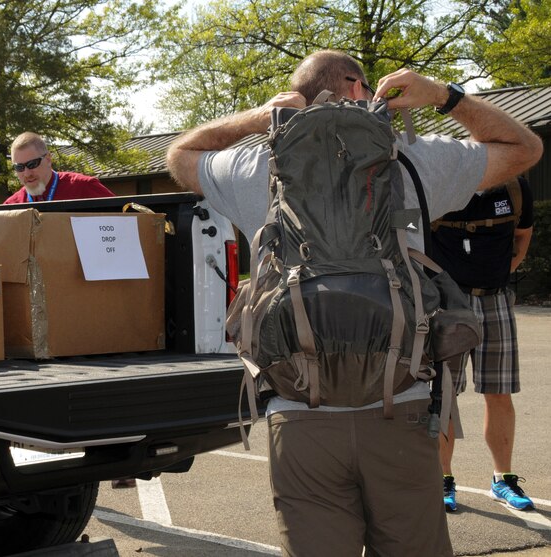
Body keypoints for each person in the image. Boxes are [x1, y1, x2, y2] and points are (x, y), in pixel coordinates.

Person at [166, 50, 542, 556]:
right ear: (357, 85)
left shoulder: (259, 162)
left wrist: (260, 118)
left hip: (298, 410)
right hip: (400, 404)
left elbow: (179, 156)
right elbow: (524, 147)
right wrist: (440, 95)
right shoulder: (413, 157)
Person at [431, 176, 535, 512]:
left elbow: (523, 234)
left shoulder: (514, 188)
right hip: (448, 305)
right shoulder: (443, 181)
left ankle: (502, 479)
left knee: (499, 392)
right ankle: (442, 479)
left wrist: (501, 274)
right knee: (444, 393)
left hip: (496, 301)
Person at [4, 132, 115, 204]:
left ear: (48, 159)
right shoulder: (11, 206)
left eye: (32, 164)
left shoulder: (84, 187)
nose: (27, 173)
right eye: (19, 167)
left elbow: (126, 219)